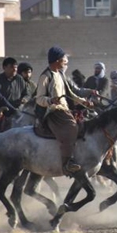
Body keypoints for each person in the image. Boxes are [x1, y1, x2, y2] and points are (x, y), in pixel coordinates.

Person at [35, 46, 93, 175]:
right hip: (54, 112)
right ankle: (67, 162)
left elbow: (71, 94)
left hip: (65, 110)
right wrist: (50, 100)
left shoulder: (60, 74)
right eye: (63, 59)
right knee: (72, 128)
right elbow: (39, 99)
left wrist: (84, 102)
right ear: (57, 60)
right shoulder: (45, 76)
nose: (65, 62)